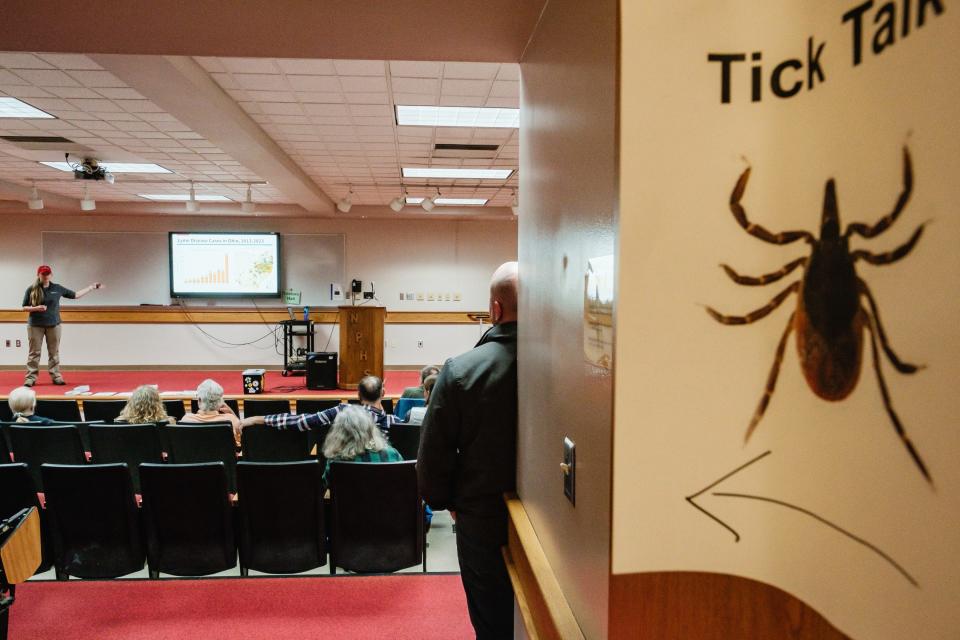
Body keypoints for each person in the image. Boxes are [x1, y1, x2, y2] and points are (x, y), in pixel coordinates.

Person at [418, 261, 519, 639]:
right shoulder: (564, 368)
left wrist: (449, 503)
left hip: (483, 519)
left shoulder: (461, 370)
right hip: (553, 526)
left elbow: (432, 460)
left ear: (495, 309)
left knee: (492, 621)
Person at [240, 375, 398, 438]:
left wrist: (259, 419)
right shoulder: (395, 422)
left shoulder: (342, 412)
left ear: (358, 396)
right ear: (383, 394)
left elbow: (301, 421)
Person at [21, 264, 102, 387]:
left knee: (54, 353)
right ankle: (30, 378)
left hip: (54, 325)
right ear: (38, 275)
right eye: (43, 274)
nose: (46, 276)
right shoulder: (31, 289)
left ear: (51, 275)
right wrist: (36, 308)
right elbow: (24, 307)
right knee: (34, 353)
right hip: (35, 325)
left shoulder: (57, 288)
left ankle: (56, 376)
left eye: (47, 273)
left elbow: (75, 295)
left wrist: (91, 287)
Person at [320, 405, 403, 483]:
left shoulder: (335, 461)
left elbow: (326, 483)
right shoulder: (392, 454)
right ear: (371, 428)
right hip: (387, 498)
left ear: (339, 432)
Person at [180, 378, 242, 445]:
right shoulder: (230, 419)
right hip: (223, 455)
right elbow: (242, 436)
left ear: (199, 400)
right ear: (221, 402)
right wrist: (232, 414)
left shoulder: (186, 419)